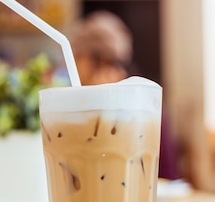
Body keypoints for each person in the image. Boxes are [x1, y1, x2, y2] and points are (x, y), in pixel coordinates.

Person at [67, 10, 181, 180]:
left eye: (78, 56)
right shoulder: (145, 98)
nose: (73, 63)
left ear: (99, 60)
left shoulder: (139, 103)